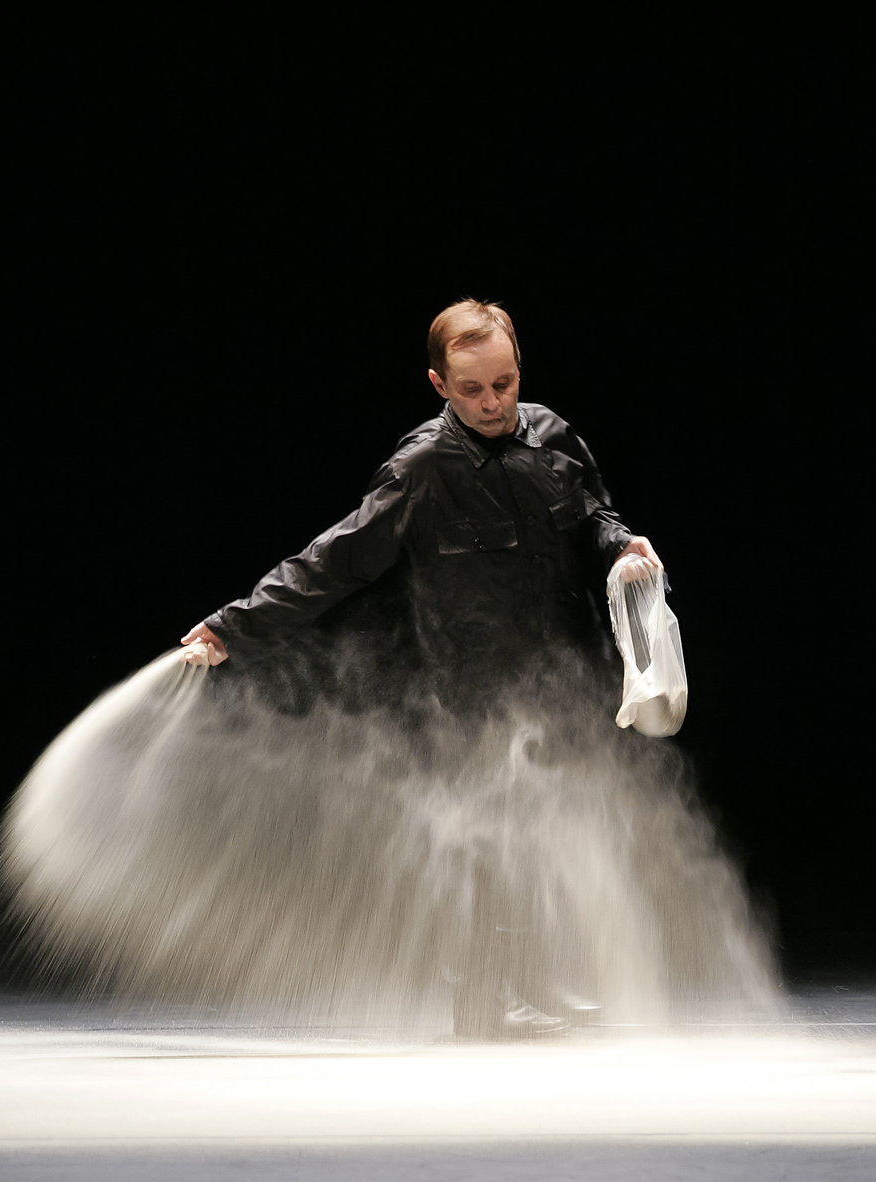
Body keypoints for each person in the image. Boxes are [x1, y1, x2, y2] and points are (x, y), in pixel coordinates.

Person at [178, 298, 663, 1036]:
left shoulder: (555, 436)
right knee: (483, 843)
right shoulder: (419, 469)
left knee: (534, 833)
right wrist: (230, 629)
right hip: (462, 691)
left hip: (558, 674)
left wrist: (623, 545)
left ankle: (529, 984)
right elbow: (330, 562)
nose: (493, 402)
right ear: (438, 383)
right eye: (472, 389)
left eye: (503, 383)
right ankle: (483, 1006)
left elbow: (592, 514)